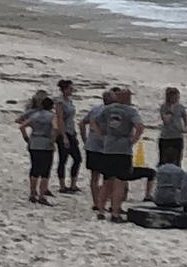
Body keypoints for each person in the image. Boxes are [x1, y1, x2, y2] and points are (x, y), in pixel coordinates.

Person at [93, 87, 145, 222]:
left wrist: (101, 135)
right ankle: (115, 213)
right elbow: (140, 126)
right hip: (123, 149)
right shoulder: (131, 111)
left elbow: (94, 121)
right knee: (119, 183)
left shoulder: (109, 109)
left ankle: (100, 210)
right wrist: (134, 140)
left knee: (107, 182)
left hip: (109, 148)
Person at [80, 89, 114, 211]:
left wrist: (85, 139)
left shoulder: (95, 109)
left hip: (92, 145)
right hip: (105, 147)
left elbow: (82, 122)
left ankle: (96, 202)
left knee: (95, 176)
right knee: (108, 176)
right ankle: (103, 202)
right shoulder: (111, 112)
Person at [19, 97, 56, 206]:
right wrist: (52, 141)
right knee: (45, 170)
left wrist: (26, 138)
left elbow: (22, 126)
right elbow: (55, 128)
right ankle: (42, 195)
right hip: (45, 142)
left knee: (35, 167)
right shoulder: (52, 116)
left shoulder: (34, 115)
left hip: (34, 142)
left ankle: (32, 193)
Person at [55, 78, 82, 194]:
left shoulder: (69, 101)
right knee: (63, 159)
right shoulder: (60, 102)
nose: (72, 90)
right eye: (70, 88)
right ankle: (62, 185)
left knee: (77, 158)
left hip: (71, 131)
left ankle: (73, 184)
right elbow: (60, 119)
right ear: (64, 89)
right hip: (64, 132)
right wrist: (63, 135)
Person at [159, 86, 187, 166]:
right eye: (174, 97)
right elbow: (166, 121)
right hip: (166, 137)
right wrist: (171, 110)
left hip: (177, 136)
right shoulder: (164, 107)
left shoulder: (181, 107)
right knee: (163, 160)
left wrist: (184, 127)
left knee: (177, 160)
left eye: (177, 97)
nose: (176, 99)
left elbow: (185, 117)